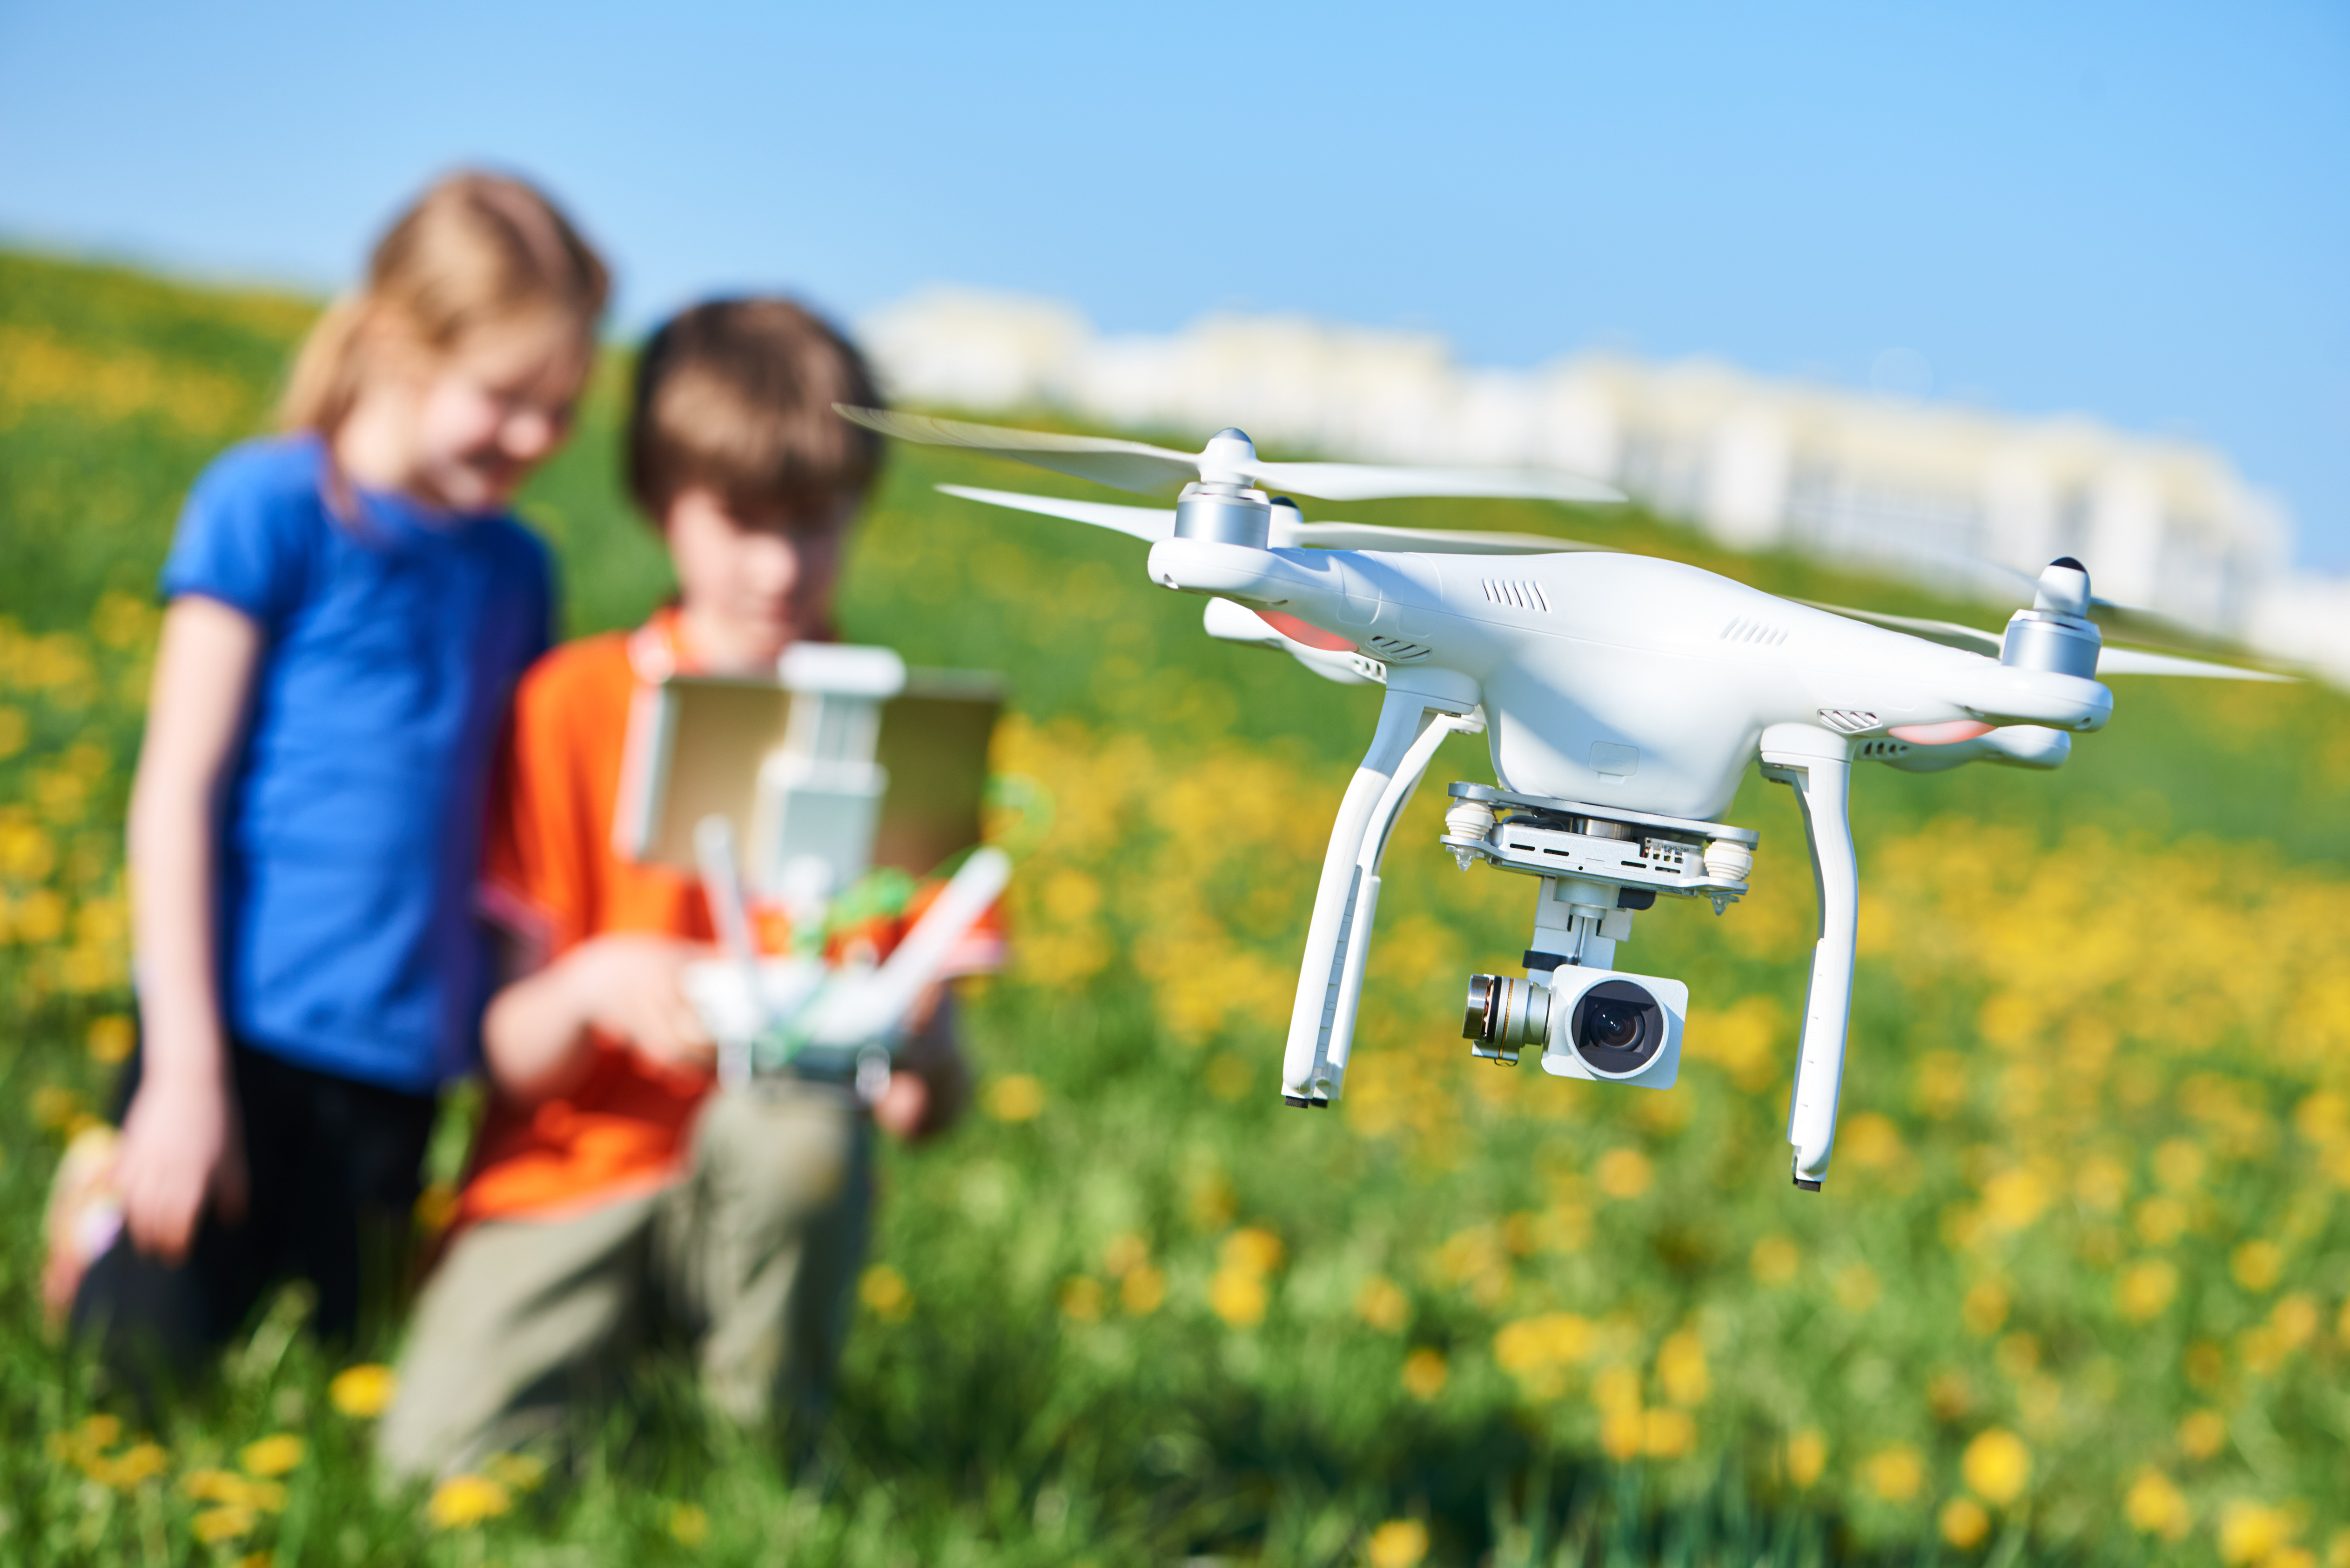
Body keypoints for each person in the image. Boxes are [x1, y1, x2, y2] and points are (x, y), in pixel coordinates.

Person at [379, 298, 988, 1480]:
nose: (776, 565)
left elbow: (930, 1107)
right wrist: (596, 981)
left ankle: (767, 1452)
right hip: (569, 1169)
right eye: (740, 521)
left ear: (859, 510)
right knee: (435, 1471)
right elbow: (507, 1049)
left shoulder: (897, 735)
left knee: (792, 1137)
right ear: (663, 499)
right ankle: (623, 1360)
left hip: (766, 1177)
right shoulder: (573, 707)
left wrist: (928, 1048)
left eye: (813, 524)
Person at [65, 171, 609, 1386]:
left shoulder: (517, 570)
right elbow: (177, 795)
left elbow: (502, 821)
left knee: (327, 1360)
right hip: (236, 1027)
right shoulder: (269, 506)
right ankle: (95, 1199)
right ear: (403, 345)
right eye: (507, 399)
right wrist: (183, 1075)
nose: (536, 439)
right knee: (139, 1369)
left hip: (396, 1054)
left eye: (561, 408)